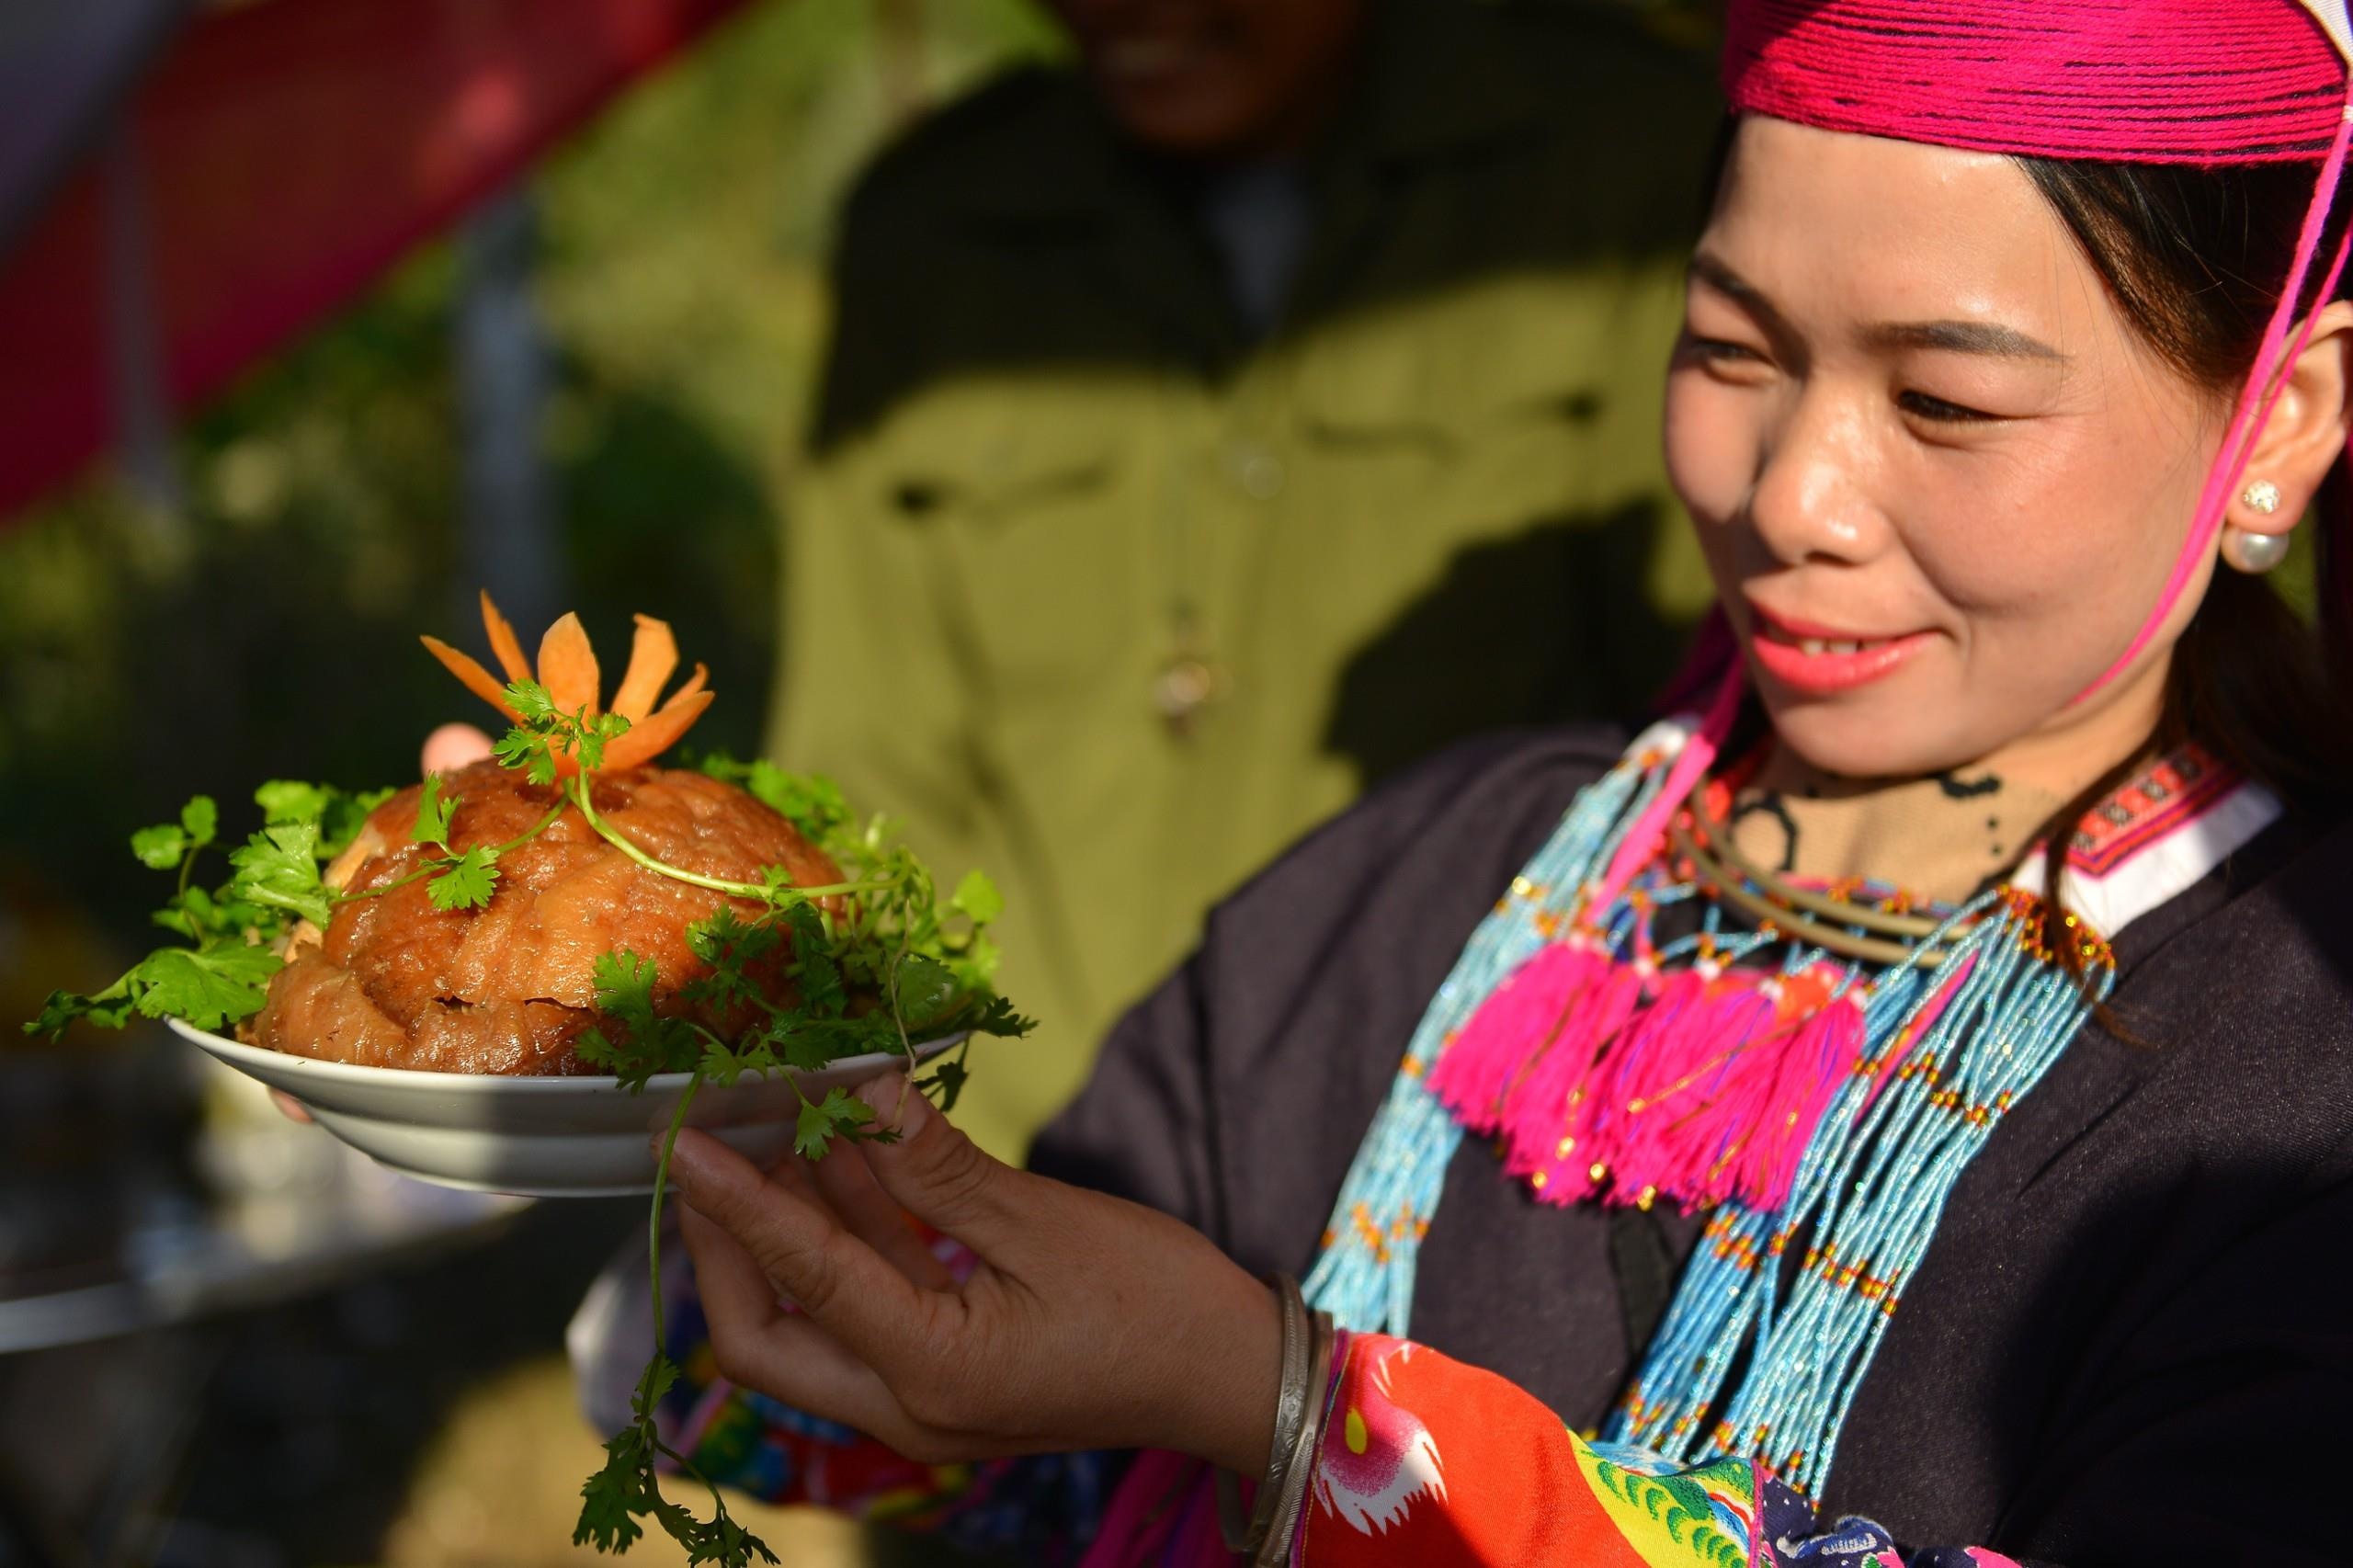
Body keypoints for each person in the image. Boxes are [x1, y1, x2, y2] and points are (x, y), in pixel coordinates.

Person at [577, 0, 2353, 1562]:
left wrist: (1285, 1405)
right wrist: (707, 1077)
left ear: (2279, 416)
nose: (1790, 495)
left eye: (1949, 405)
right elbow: (1020, 1432)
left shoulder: (2298, 1068)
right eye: (1731, 350)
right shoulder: (1424, 883)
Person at [769, 0, 1722, 1162]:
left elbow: (1709, 726)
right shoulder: (932, 221)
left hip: (1464, 1162)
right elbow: (859, 783)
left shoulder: (1626, 155)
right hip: (1024, 1182)